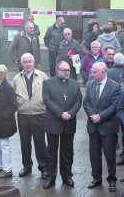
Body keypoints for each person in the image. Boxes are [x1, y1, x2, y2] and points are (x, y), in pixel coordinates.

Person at [41, 61, 82, 189]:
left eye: (68, 70)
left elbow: (78, 100)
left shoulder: (75, 84)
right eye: (64, 70)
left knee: (67, 152)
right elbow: (47, 100)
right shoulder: (48, 83)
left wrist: (70, 113)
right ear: (57, 70)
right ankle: (50, 177)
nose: (67, 72)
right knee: (51, 152)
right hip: (53, 121)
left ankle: (67, 176)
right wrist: (60, 113)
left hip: (69, 122)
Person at [83, 62, 121, 192]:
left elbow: (114, 106)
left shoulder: (115, 86)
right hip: (93, 126)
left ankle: (112, 180)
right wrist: (93, 115)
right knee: (94, 154)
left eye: (94, 72)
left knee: (110, 155)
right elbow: (86, 102)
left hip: (108, 127)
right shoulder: (90, 84)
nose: (91, 74)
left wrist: (100, 116)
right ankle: (96, 178)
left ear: (103, 72)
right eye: (92, 71)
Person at [11, 53, 49, 179]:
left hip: (39, 114)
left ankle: (43, 167)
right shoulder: (16, 78)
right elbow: (13, 97)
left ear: (34, 62)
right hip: (23, 115)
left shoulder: (42, 76)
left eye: (30, 61)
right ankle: (27, 166)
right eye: (25, 62)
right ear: (21, 64)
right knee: (25, 142)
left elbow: (49, 93)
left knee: (40, 142)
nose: (28, 64)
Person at [0, 64, 18, 179]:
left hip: (4, 123)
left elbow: (13, 106)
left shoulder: (9, 88)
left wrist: (2, 116)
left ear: (2, 75)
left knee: (4, 145)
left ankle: (7, 169)